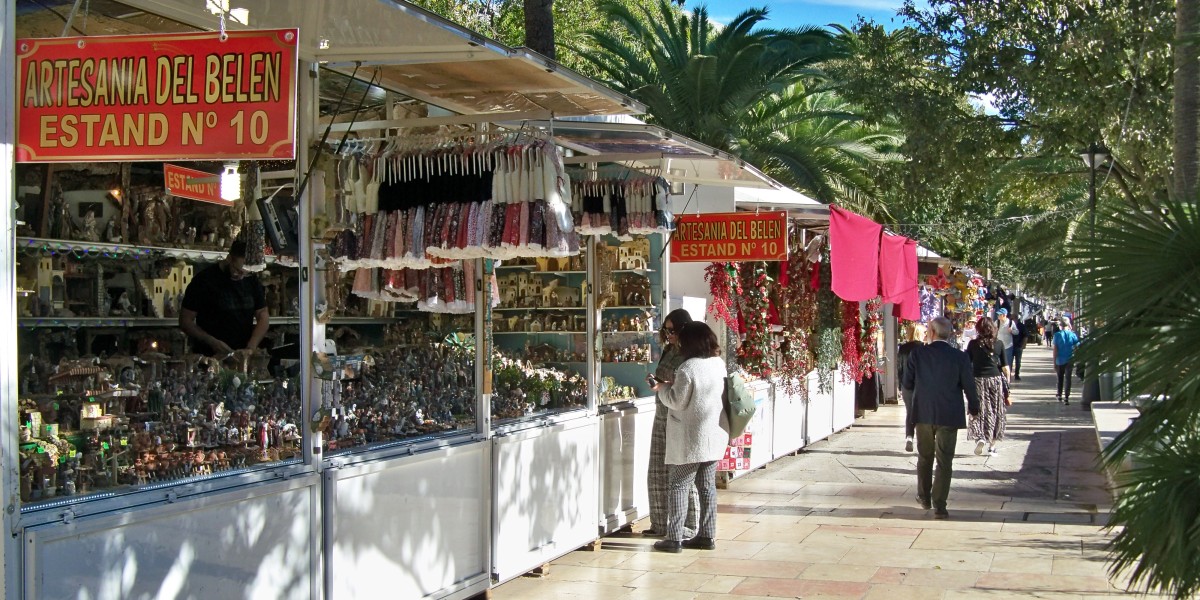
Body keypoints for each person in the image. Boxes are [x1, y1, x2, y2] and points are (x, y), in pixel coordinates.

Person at [651, 321, 727, 553]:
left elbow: (677, 401)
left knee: (679, 485)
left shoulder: (688, 368)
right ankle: (707, 535)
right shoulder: (718, 364)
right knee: (706, 487)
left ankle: (674, 538)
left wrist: (660, 389)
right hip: (713, 435)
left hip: (689, 439)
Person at [902, 316, 980, 519]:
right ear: (950, 334)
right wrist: (974, 407)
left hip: (923, 414)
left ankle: (924, 496)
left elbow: (907, 384)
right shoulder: (960, 357)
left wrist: (911, 407)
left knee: (925, 457)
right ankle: (940, 504)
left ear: (932, 333)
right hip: (949, 414)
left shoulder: (918, 354)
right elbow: (969, 386)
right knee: (945, 460)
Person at [643, 309, 699, 539]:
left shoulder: (691, 354)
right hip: (661, 414)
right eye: (667, 330)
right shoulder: (668, 350)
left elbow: (686, 384)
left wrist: (664, 385)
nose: (670, 334)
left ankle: (690, 525)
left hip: (679, 416)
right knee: (657, 471)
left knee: (682, 473)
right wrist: (659, 384)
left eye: (673, 330)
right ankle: (659, 523)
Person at [180, 240, 269, 356]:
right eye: (238, 271)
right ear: (229, 258)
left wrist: (251, 347)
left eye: (246, 273)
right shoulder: (204, 280)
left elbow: (263, 314)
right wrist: (211, 341)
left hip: (242, 354)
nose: (241, 277)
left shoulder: (251, 280)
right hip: (210, 355)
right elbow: (185, 321)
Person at [965, 317, 1011, 456]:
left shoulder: (973, 344)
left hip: (977, 380)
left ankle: (980, 437)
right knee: (995, 411)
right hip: (995, 380)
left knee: (977, 409)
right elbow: (1006, 368)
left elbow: (967, 364)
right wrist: (1007, 386)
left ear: (978, 329)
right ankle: (992, 445)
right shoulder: (999, 344)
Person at [896, 322, 926, 452]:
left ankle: (909, 436)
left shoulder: (903, 349)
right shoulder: (924, 348)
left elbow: (899, 368)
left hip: (906, 385)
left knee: (910, 411)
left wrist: (899, 385)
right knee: (921, 412)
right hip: (921, 385)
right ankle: (922, 439)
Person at [1052, 317, 1081, 404]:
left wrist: (1054, 362)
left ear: (1060, 325)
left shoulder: (1057, 335)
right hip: (1070, 359)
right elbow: (1077, 347)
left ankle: (1059, 395)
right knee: (1068, 378)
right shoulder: (1072, 335)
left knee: (1060, 378)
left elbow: (1055, 350)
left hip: (1060, 360)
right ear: (1068, 325)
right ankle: (1067, 397)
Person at [1011, 314, 1028, 381]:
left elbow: (1025, 335)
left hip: (1018, 346)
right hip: (1010, 346)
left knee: (1018, 362)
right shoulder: (1009, 325)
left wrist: (1023, 345)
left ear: (1016, 319)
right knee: (1010, 361)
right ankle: (1009, 374)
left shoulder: (1021, 326)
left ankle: (1017, 374)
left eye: (1012, 319)